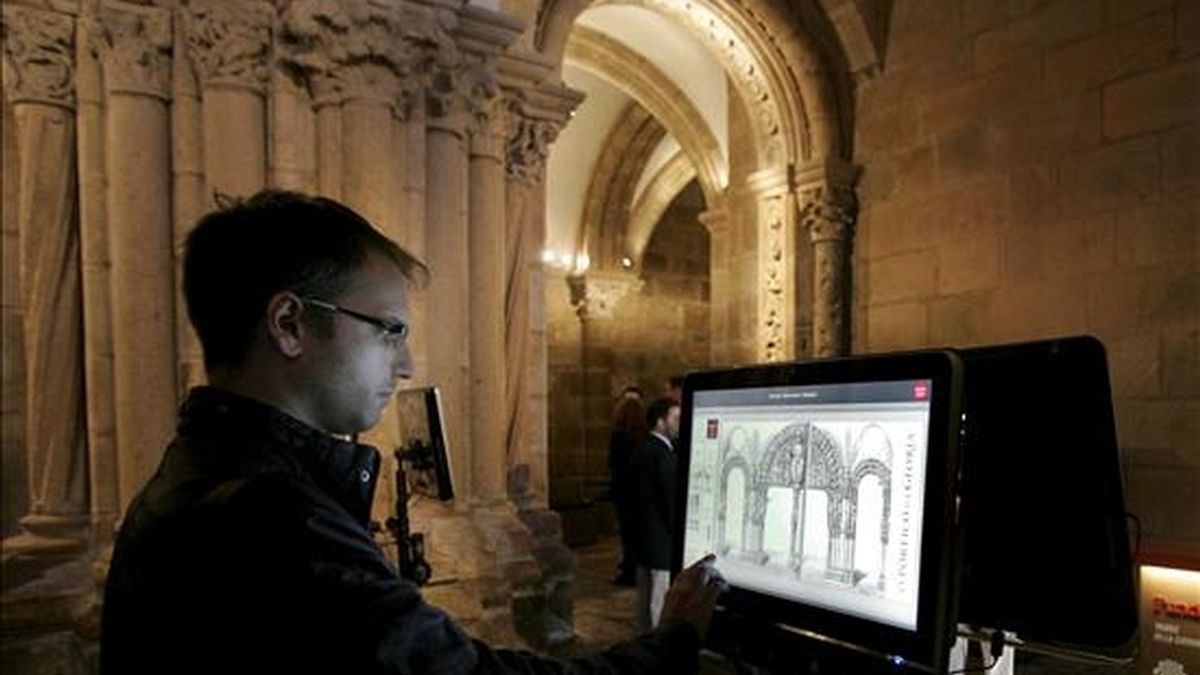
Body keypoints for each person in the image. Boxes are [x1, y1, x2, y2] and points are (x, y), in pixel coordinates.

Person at [100, 190, 724, 674]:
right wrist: (671, 643)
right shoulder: (272, 521)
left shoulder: (193, 473)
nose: (406, 365)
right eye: (390, 330)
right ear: (289, 323)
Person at [628, 397, 681, 631]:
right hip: (661, 542)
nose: (679, 424)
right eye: (675, 418)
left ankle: (644, 642)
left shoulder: (641, 449)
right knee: (660, 600)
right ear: (660, 422)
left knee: (645, 597)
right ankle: (658, 648)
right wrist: (678, 533)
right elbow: (670, 501)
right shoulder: (663, 455)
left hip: (642, 539)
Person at [608, 386, 646, 586]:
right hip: (639, 492)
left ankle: (628, 571)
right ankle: (634, 568)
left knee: (627, 533)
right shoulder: (643, 438)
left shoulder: (619, 437)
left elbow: (612, 463)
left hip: (624, 491)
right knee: (637, 533)